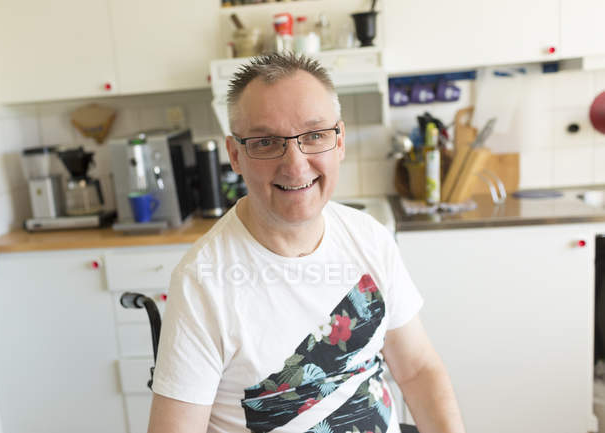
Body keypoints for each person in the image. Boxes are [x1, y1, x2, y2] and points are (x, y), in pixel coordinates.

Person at [148, 52, 465, 433]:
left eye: (314, 136)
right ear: (236, 155)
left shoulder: (368, 238)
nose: (296, 165)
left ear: (339, 142)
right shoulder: (202, 283)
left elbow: (416, 370)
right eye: (266, 142)